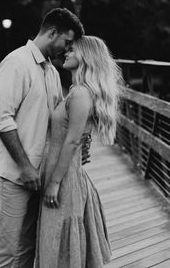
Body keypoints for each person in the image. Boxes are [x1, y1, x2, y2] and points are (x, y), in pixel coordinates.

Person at [0, 8, 89, 267]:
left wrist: (79, 143)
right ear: (52, 33)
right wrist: (24, 166)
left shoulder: (51, 73)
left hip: (40, 176)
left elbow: (57, 122)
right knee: (5, 252)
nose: (67, 49)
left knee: (28, 250)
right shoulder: (17, 63)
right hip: (14, 174)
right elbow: (0, 118)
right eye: (67, 42)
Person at [36, 36, 123, 268]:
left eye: (72, 50)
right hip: (63, 173)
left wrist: (54, 182)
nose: (66, 53)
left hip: (64, 180)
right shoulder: (77, 90)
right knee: (55, 240)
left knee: (57, 241)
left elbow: (72, 141)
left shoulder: (81, 94)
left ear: (85, 56)